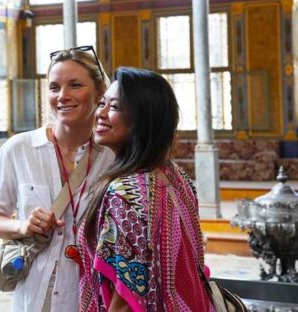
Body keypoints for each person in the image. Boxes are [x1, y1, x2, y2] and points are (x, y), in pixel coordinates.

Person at [0, 46, 115, 312]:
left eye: (75, 85)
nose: (63, 96)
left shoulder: (113, 157)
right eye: (54, 87)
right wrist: (23, 227)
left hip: (93, 296)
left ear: (100, 92)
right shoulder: (19, 149)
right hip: (35, 295)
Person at [78, 67, 213, 311]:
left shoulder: (124, 192)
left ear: (142, 119)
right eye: (102, 103)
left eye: (115, 107)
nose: (101, 113)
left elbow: (127, 296)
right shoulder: (174, 175)